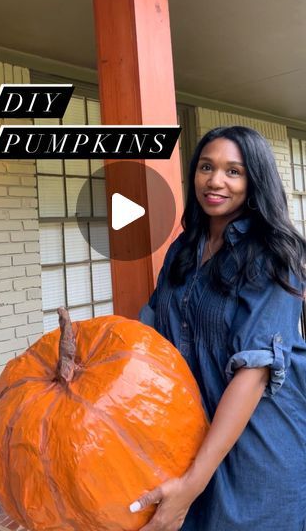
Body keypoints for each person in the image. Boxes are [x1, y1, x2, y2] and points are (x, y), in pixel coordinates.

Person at [130, 126, 306, 531]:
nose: (215, 181)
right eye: (207, 167)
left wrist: (192, 485)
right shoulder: (182, 248)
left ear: (255, 180)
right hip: (187, 435)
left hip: (258, 447)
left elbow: (254, 372)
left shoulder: (274, 253)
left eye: (234, 171)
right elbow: (154, 339)